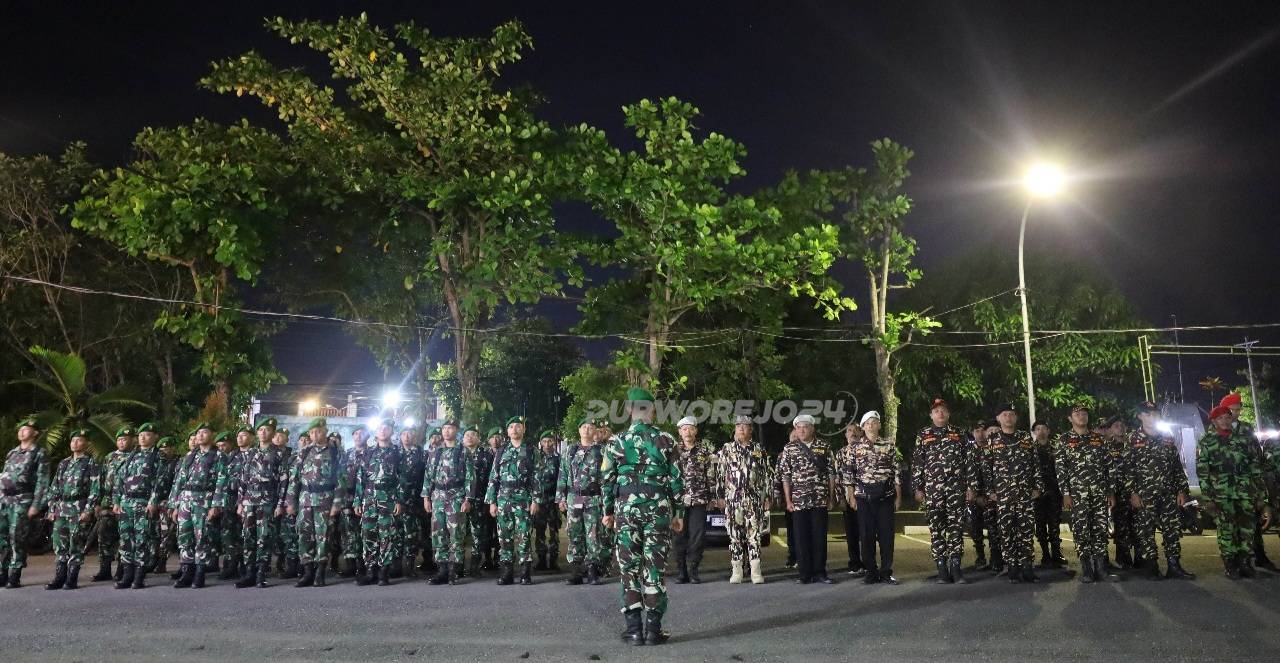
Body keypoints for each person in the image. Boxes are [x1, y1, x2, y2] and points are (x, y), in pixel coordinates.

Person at [601, 387, 684, 646]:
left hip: (627, 510)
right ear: (652, 409)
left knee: (628, 568)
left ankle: (634, 631)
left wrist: (608, 512)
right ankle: (653, 631)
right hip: (658, 510)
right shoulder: (667, 440)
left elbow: (606, 481)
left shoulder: (615, 442)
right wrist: (678, 512)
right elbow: (677, 480)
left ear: (628, 409)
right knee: (654, 569)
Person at [1198, 405, 1269, 579]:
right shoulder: (1207, 441)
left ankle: (1245, 562)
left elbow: (1255, 468)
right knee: (1227, 530)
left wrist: (1261, 496)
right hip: (1222, 494)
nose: (1225, 421)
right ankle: (1230, 564)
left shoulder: (1243, 440)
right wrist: (1208, 498)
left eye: (1227, 417)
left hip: (1246, 493)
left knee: (1247, 529)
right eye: (1220, 418)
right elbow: (1202, 471)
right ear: (1214, 421)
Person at [1124, 401, 1193, 580]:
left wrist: (1181, 490)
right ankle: (1151, 567)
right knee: (1146, 532)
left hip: (1168, 493)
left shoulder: (1167, 437)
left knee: (1172, 530)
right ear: (1140, 416)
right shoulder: (1133, 438)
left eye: (1155, 413)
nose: (1152, 417)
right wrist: (1133, 492)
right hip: (1144, 494)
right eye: (1147, 414)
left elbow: (1176, 466)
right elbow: (1127, 469)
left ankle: (1174, 566)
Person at [911, 398, 976, 584]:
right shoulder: (923, 435)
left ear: (948, 414)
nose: (940, 413)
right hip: (933, 491)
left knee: (956, 529)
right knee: (936, 530)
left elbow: (969, 462)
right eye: (936, 411)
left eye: (943, 410)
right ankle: (941, 568)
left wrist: (971, 486)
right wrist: (917, 487)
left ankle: (956, 568)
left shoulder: (960, 434)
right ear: (931, 415)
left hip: (956, 489)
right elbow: (917, 462)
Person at [1054, 404, 1119, 583]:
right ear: (1070, 418)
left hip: (1099, 493)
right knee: (1082, 531)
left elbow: (1109, 467)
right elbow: (1061, 469)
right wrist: (1065, 494)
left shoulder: (1098, 439)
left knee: (1100, 529)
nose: (1081, 416)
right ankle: (1087, 570)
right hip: (1077, 495)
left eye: (1084, 413)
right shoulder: (1064, 440)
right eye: (1077, 414)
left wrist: (1110, 491)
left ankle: (1101, 568)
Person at [219, 418, 287, 589]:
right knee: (248, 537)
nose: (264, 432)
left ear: (272, 433)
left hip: (267, 500)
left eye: (267, 430)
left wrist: (280, 504)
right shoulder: (249, 453)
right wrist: (241, 502)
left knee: (264, 537)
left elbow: (283, 482)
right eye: (261, 429)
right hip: (249, 500)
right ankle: (249, 573)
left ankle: (261, 574)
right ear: (257, 433)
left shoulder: (279, 454)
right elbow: (243, 480)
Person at [984, 403, 1043, 583]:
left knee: (1026, 531)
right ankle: (1012, 567)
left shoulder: (1025, 439)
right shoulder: (992, 441)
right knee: (1007, 531)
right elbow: (987, 469)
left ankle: (1027, 567)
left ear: (1016, 418)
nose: (1008, 417)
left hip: (1025, 493)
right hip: (1003, 495)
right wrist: (990, 491)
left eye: (1011, 414)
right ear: (998, 419)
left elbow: (1035, 464)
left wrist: (1038, 486)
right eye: (1004, 414)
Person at [485, 415, 545, 586]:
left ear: (523, 429)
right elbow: (493, 477)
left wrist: (536, 500)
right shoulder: (501, 451)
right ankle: (507, 573)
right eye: (511, 427)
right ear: (507, 431)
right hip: (503, 498)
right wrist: (492, 502)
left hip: (524, 498)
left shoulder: (532, 450)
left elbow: (537, 477)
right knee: (504, 537)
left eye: (518, 426)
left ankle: (525, 573)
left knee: (524, 535)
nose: (515, 429)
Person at [778, 413, 836, 585]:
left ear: (812, 428)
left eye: (805, 427)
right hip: (799, 500)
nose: (802, 430)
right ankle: (804, 574)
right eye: (798, 427)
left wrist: (831, 497)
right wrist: (788, 501)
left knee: (819, 537)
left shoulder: (824, 446)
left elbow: (831, 474)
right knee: (801, 538)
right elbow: (786, 477)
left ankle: (820, 572)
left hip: (819, 499)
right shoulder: (790, 448)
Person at [844, 411, 902, 585]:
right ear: (863, 427)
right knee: (866, 536)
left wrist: (898, 498)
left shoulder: (889, 445)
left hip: (885, 497)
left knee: (886, 536)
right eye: (867, 423)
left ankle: (886, 572)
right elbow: (848, 475)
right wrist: (851, 498)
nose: (870, 425)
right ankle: (871, 572)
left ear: (879, 425)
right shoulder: (854, 448)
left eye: (874, 422)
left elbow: (896, 473)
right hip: (863, 497)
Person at [167, 423, 226, 589]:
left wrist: (216, 504)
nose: (200, 435)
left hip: (204, 499)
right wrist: (175, 504)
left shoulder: (218, 456)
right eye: (198, 433)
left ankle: (200, 573)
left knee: (202, 537)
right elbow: (179, 481)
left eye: (204, 432)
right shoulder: (190, 456)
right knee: (184, 536)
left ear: (212, 435)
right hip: (186, 499)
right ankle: (187, 571)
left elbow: (222, 482)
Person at [286, 429, 346, 588]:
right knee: (304, 535)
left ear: (325, 431)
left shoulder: (335, 452)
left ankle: (320, 572)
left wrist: (337, 503)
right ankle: (307, 572)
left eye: (318, 432)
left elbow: (341, 480)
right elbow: (294, 478)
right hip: (305, 499)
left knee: (324, 536)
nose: (314, 436)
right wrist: (290, 502)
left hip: (325, 500)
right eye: (311, 433)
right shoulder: (304, 451)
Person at [40, 428, 99, 590]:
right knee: (59, 544)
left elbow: (95, 489)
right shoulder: (64, 463)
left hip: (78, 507)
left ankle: (71, 578)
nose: (75, 443)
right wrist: (51, 508)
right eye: (73, 440)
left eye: (79, 440)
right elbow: (54, 487)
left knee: (76, 543)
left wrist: (88, 510)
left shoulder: (90, 463)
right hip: (61, 508)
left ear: (86, 443)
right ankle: (59, 577)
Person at [716, 414, 772, 585]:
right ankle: (737, 571)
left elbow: (768, 475)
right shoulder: (727, 448)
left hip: (753, 499)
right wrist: (719, 497)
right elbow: (720, 474)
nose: (741, 428)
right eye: (738, 425)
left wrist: (767, 496)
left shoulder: (759, 449)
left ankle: (756, 572)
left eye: (745, 425)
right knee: (734, 536)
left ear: (751, 429)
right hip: (733, 499)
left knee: (754, 536)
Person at [422, 423, 475, 584]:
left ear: (456, 431)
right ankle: (442, 570)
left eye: (450, 428)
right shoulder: (435, 451)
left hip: (456, 497)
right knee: (438, 535)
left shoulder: (464, 451)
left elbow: (470, 477)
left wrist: (468, 499)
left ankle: (454, 570)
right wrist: (426, 497)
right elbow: (428, 475)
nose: (446, 431)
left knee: (456, 535)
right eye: (444, 428)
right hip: (438, 497)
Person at [353, 419, 404, 587]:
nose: (383, 430)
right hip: (368, 498)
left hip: (388, 498)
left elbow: (401, 479)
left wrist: (399, 500)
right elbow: (360, 478)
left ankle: (384, 572)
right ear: (375, 432)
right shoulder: (367, 453)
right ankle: (370, 571)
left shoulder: (397, 453)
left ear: (391, 432)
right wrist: (357, 501)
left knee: (387, 536)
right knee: (368, 534)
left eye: (386, 428)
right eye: (380, 428)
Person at [558, 417, 606, 585]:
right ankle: (576, 571)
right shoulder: (570, 450)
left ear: (595, 432)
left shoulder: (601, 451)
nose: (586, 430)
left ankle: (593, 570)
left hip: (593, 498)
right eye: (583, 427)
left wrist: (606, 501)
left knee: (593, 535)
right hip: (574, 498)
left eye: (590, 427)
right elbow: (562, 475)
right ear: (579, 431)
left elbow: (607, 477)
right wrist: (560, 498)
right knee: (574, 533)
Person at [673, 416, 716, 584]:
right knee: (679, 535)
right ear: (680, 432)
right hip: (678, 501)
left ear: (696, 431)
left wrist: (712, 497)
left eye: (691, 428)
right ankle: (681, 571)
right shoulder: (673, 451)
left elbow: (711, 476)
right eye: (684, 429)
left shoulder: (704, 452)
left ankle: (693, 569)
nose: (688, 432)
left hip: (699, 500)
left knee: (697, 536)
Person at [91, 428, 133, 582]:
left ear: (132, 440)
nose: (122, 442)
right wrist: (97, 502)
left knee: (124, 536)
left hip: (125, 502)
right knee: (103, 536)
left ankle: (122, 570)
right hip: (107, 503)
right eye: (119, 439)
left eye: (125, 439)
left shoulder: (134, 457)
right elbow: (100, 480)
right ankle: (105, 569)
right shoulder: (110, 457)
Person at [1031, 421, 1066, 568]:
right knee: (1040, 526)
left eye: (1044, 428)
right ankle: (1045, 554)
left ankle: (1056, 554)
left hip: (1054, 493)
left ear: (1048, 430)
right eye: (1038, 429)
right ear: (1034, 432)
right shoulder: (1029, 449)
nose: (1041, 431)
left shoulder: (1056, 449)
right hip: (1037, 495)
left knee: (1054, 525)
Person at [1104, 415, 1137, 569]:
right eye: (1116, 425)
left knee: (1137, 525)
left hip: (1135, 492)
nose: (1120, 427)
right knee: (1121, 525)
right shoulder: (1106, 448)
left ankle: (1140, 557)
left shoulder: (1134, 445)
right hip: (1117, 493)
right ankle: (1123, 557)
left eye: (1122, 425)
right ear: (1110, 429)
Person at [395, 422, 427, 579]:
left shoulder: (421, 453)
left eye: (410, 433)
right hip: (395, 500)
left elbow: (425, 476)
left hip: (414, 500)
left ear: (415, 436)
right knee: (395, 533)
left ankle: (409, 567)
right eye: (404, 434)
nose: (407, 436)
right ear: (400, 436)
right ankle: (395, 567)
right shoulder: (394, 452)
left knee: (411, 534)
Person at [834, 421, 866, 577]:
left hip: (865, 498)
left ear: (861, 433)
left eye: (855, 430)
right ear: (845, 434)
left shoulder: (865, 450)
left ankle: (868, 562)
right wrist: (840, 498)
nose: (852, 433)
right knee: (851, 533)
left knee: (866, 532)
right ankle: (854, 563)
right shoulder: (840, 453)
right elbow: (838, 478)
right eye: (849, 430)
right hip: (848, 499)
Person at [465, 428, 498, 575]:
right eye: (467, 435)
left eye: (473, 435)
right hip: (457, 501)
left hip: (479, 501)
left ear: (479, 439)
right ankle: (457, 566)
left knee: (478, 534)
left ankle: (474, 566)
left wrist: (490, 500)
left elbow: (493, 479)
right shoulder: (457, 454)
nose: (470, 437)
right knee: (456, 534)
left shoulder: (486, 456)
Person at [340, 423, 371, 577]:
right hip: (348, 498)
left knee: (365, 531)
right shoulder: (347, 454)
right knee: (349, 532)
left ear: (368, 436)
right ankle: (351, 564)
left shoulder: (372, 453)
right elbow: (339, 477)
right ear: (352, 436)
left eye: (362, 433)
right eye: (356, 433)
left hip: (367, 498)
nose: (359, 436)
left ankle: (365, 564)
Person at [150, 426, 179, 576]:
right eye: (162, 448)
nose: (165, 451)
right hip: (156, 502)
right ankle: (152, 559)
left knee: (166, 533)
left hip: (169, 503)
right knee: (154, 533)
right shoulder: (157, 463)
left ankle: (162, 561)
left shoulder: (179, 462)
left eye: (167, 448)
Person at [532, 430, 562, 572]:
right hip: (539, 501)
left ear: (555, 442)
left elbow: (563, 480)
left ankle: (554, 560)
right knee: (539, 531)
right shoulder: (535, 458)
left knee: (554, 532)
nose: (547, 444)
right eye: (544, 441)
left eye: (550, 441)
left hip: (554, 501)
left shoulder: (559, 459)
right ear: (540, 443)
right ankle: (541, 560)